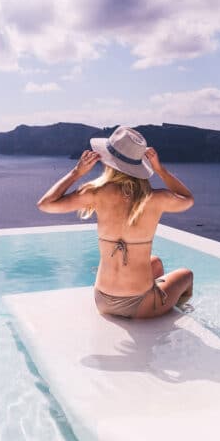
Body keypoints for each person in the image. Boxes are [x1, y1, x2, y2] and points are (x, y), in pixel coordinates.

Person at [36, 126, 194, 319]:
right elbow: (187, 199)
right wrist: (160, 170)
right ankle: (178, 314)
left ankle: (149, 297)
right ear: (140, 166)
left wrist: (77, 172)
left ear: (109, 161)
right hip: (141, 305)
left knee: (156, 263)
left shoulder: (96, 192)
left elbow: (46, 204)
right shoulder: (155, 198)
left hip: (102, 300)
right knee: (186, 275)